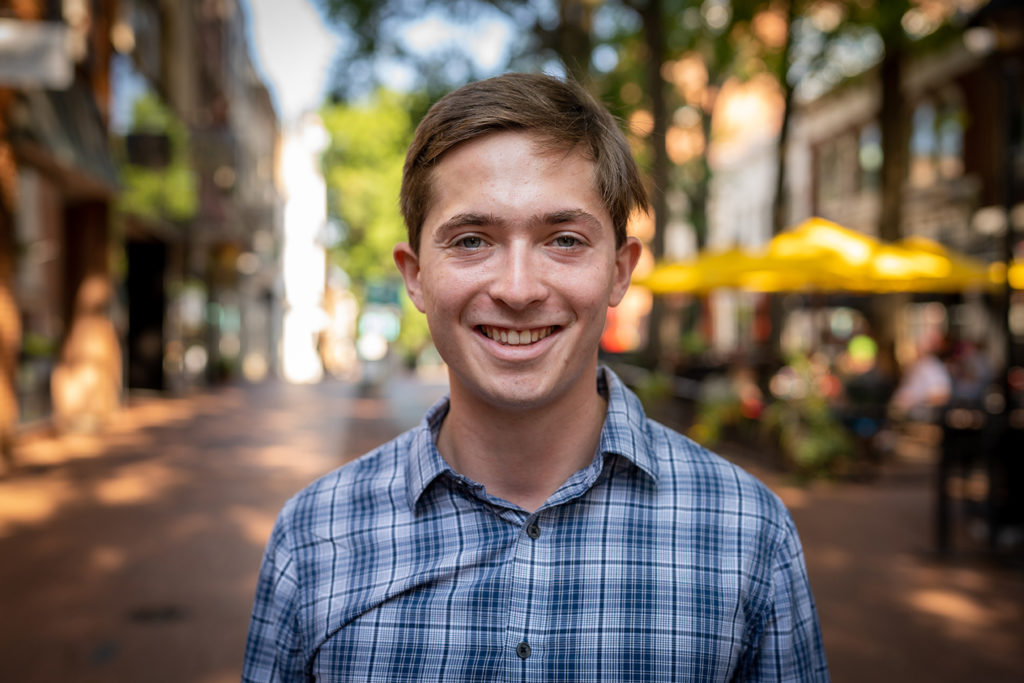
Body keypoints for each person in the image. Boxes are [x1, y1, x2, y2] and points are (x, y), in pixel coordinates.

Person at [242, 73, 828, 682]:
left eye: (564, 240)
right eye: (472, 240)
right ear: (415, 276)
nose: (518, 289)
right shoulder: (312, 539)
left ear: (620, 272)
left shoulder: (748, 534)